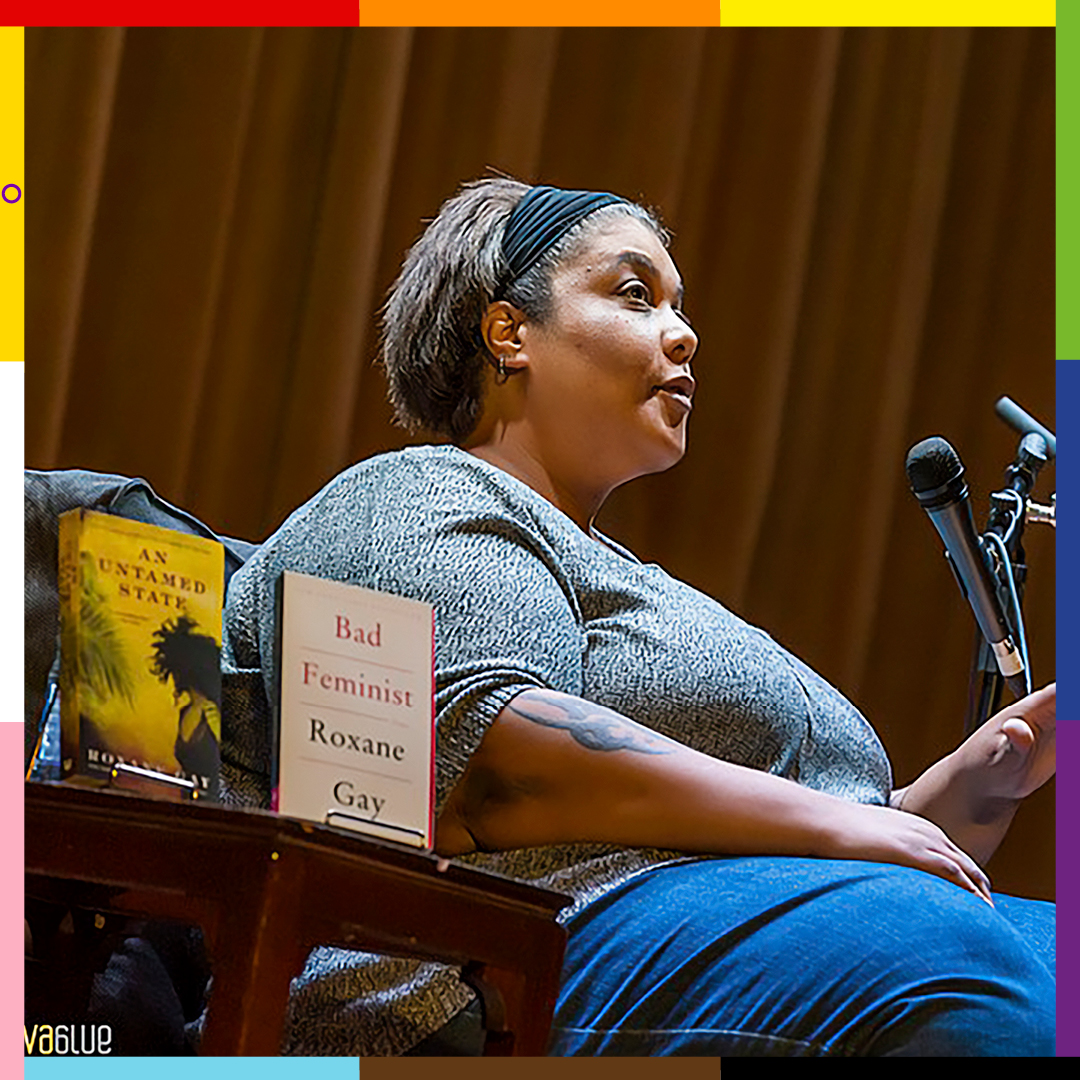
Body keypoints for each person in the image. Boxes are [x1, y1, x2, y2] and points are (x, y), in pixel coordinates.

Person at [221, 179, 1055, 1056]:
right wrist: (848, 827)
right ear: (509, 333)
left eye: (679, 305)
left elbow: (812, 837)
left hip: (710, 926)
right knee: (952, 971)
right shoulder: (411, 495)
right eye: (634, 294)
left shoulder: (631, 577)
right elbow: (484, 763)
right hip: (477, 971)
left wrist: (955, 795)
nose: (686, 331)